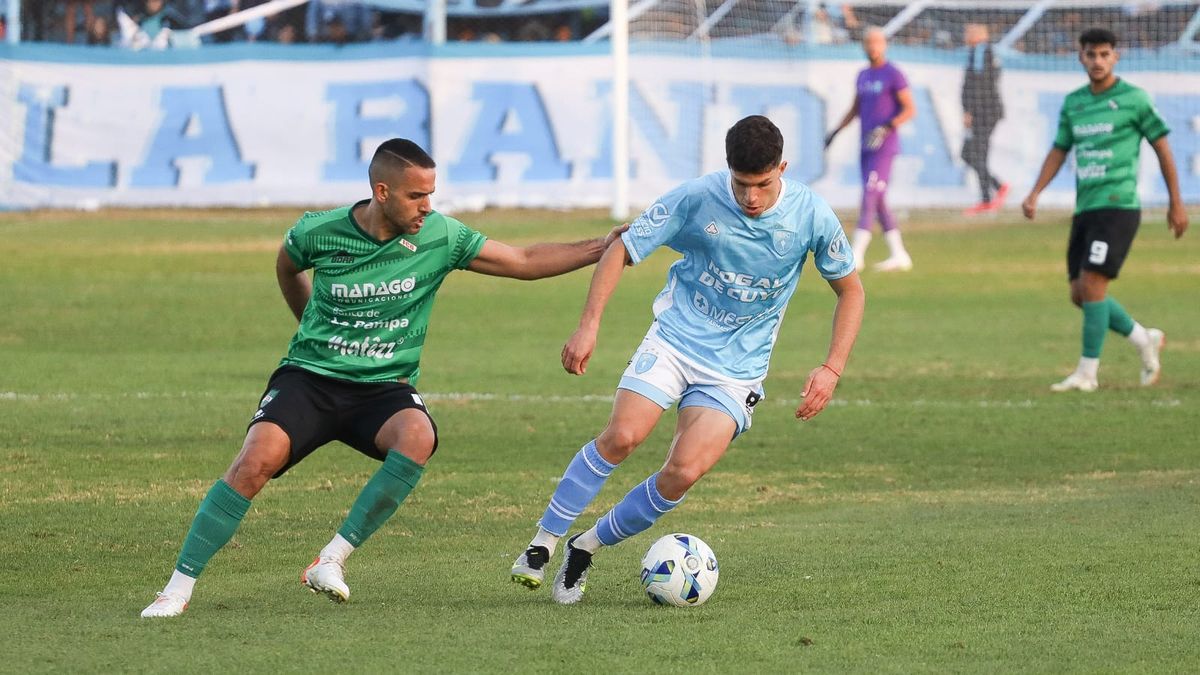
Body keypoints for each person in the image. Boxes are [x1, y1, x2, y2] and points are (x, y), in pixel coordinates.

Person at [140, 139, 626, 618]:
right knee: (254, 461)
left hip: (383, 389)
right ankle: (175, 590)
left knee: (418, 436)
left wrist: (600, 246)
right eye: (417, 196)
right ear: (382, 192)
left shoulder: (439, 237)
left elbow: (522, 261)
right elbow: (287, 265)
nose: (427, 206)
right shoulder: (318, 231)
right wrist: (308, 319)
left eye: (431, 194)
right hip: (310, 379)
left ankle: (331, 560)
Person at [509, 115, 865, 604]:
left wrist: (832, 367)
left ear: (782, 167)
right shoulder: (698, 197)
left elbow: (851, 291)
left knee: (683, 472)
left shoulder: (812, 216)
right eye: (742, 185)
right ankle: (542, 542)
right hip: (675, 341)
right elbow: (621, 247)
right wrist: (589, 324)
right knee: (623, 436)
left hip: (736, 372)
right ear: (727, 170)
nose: (751, 198)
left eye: (762, 184)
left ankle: (584, 547)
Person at [1022, 28, 1188, 392]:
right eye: (1090, 54)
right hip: (1086, 209)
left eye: (1104, 54)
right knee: (1080, 294)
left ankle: (1086, 373)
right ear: (1080, 57)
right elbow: (1059, 150)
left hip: (1118, 207)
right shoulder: (1074, 103)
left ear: (1115, 57)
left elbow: (1163, 149)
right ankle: (1144, 338)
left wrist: (1176, 202)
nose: (1097, 61)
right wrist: (1035, 191)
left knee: (1094, 284)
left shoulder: (1134, 99)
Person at [825, 27, 917, 272]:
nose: (872, 46)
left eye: (877, 42)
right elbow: (855, 109)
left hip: (884, 146)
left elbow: (909, 109)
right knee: (879, 200)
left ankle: (856, 253)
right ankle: (899, 254)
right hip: (865, 146)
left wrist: (888, 126)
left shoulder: (894, 74)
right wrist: (835, 131)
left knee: (869, 195)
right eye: (868, 42)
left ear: (884, 44)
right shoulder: (863, 75)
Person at [961, 23, 1008, 215]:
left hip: (985, 113)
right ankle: (998, 186)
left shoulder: (982, 52)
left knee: (977, 154)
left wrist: (970, 110)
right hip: (985, 112)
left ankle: (987, 199)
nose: (965, 36)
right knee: (968, 154)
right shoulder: (980, 53)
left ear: (979, 35)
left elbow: (979, 84)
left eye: (968, 32)